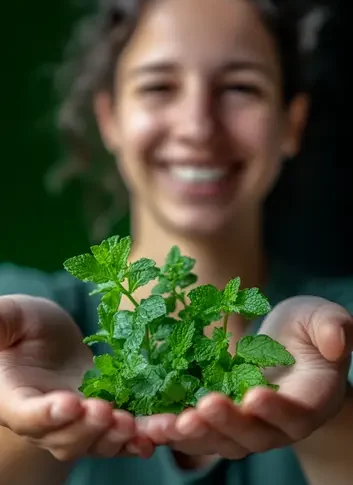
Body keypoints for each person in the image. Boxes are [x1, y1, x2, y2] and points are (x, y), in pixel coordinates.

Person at [0, 0, 352, 484]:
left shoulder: (340, 329)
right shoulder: (17, 321)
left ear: (292, 122)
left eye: (240, 88)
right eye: (159, 86)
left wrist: (333, 417)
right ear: (110, 118)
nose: (198, 127)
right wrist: (21, 430)